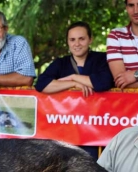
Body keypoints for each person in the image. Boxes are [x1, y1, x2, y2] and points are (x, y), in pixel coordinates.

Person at [35, 21, 113, 159]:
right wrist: (72, 84)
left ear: (90, 39)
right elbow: (42, 84)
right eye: (72, 40)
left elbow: (102, 83)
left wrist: (73, 77)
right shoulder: (60, 63)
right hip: (68, 127)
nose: (77, 44)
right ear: (68, 42)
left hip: (95, 128)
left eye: (81, 39)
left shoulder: (102, 59)